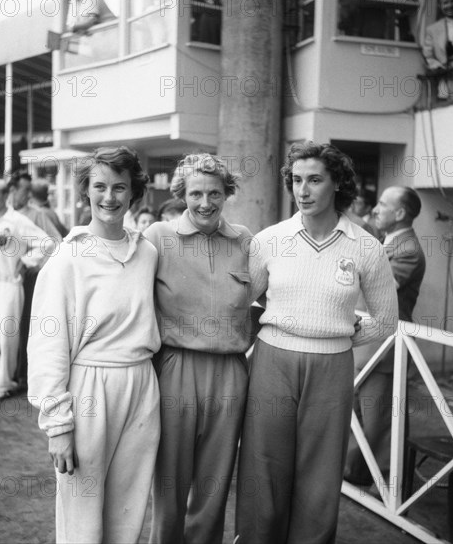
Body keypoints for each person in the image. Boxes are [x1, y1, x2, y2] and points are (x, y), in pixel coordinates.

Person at [235, 142, 398, 544]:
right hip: (273, 360)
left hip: (332, 366)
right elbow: (243, 303)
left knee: (320, 470)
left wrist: (340, 335)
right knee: (264, 463)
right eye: (296, 180)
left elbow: (386, 319)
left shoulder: (365, 246)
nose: (302, 190)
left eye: (314, 180)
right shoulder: (270, 240)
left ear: (338, 183)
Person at [28, 146, 161, 544]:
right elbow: (48, 345)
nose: (109, 197)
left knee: (128, 508)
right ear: (85, 192)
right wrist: (58, 427)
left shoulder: (148, 253)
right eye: (99, 186)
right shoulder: (66, 260)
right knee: (83, 514)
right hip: (88, 388)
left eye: (119, 187)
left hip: (140, 385)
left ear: (133, 193)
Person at [145, 153, 252, 544]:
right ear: (181, 194)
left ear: (227, 194)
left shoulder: (244, 240)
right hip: (175, 367)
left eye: (214, 193)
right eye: (195, 194)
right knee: (170, 477)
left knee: (215, 480)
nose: (205, 203)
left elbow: (271, 295)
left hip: (230, 371)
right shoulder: (158, 237)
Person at [345, 186, 426, 486]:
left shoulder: (408, 250)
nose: (375, 209)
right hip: (367, 344)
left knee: (379, 420)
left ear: (401, 213)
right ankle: (356, 474)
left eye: (382, 204)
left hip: (385, 348)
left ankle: (385, 485)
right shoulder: (386, 242)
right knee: (360, 414)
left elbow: (378, 288)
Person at [0, 179, 54, 401]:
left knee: (7, 337)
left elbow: (47, 242)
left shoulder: (16, 220)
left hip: (9, 283)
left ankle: (5, 383)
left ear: (5, 194)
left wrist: (26, 261)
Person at [7, 171, 62, 390]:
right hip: (3, 280)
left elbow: (56, 242)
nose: (27, 195)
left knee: (24, 324)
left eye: (29, 190)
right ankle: (4, 373)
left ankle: (22, 374)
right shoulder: (2, 215)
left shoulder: (36, 214)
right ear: (11, 190)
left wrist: (34, 263)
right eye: (23, 189)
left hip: (28, 278)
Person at [422, 0, 453, 100]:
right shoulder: (432, 30)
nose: (450, 5)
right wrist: (439, 67)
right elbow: (428, 56)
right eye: (445, 2)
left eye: (452, 1)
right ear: (440, 6)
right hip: (451, 76)